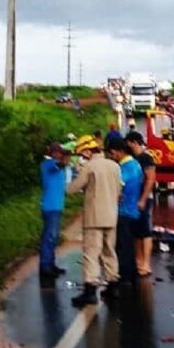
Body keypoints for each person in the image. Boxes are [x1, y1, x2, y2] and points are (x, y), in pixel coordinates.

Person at [67, 136, 123, 307]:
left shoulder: (89, 166)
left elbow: (72, 189)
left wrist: (73, 174)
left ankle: (90, 290)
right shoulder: (114, 166)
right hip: (111, 215)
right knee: (109, 250)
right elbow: (120, 188)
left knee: (91, 253)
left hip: (94, 217)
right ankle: (113, 286)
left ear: (87, 151)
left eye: (83, 153)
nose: (82, 156)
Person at [107, 137, 144, 284]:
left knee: (123, 246)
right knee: (128, 244)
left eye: (112, 153)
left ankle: (125, 276)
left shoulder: (124, 168)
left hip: (124, 212)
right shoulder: (136, 164)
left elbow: (118, 188)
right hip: (133, 210)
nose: (110, 156)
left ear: (120, 151)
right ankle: (132, 273)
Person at [125, 131, 156, 277]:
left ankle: (146, 263)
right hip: (132, 199)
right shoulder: (131, 159)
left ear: (134, 142)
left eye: (129, 143)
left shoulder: (146, 158)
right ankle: (139, 261)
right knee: (136, 232)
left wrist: (143, 199)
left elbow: (150, 179)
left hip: (144, 198)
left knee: (145, 231)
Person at [39, 142, 71, 279]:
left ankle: (50, 263)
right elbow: (59, 164)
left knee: (53, 237)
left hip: (57, 206)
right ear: (52, 153)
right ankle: (45, 265)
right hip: (50, 206)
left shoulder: (59, 168)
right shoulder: (48, 164)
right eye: (57, 152)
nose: (60, 155)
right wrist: (66, 157)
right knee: (49, 236)